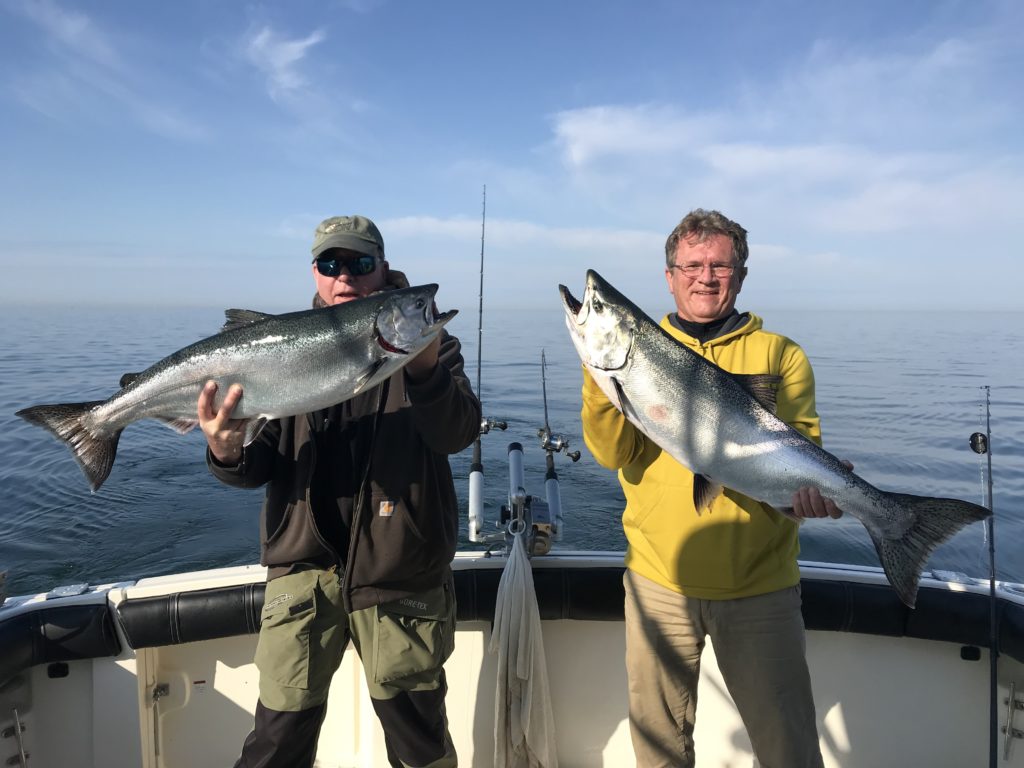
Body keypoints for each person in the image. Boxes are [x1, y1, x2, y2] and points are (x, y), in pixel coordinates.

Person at [198, 214, 481, 768]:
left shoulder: (434, 346)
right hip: (302, 573)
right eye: (331, 263)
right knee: (275, 746)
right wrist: (226, 449)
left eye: (359, 263)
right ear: (315, 271)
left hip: (400, 574)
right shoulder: (279, 346)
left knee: (419, 746)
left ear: (382, 269)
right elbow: (257, 466)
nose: (344, 275)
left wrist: (424, 372)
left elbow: (457, 432)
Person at [580, 208, 844, 768]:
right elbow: (613, 453)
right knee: (659, 749)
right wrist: (602, 379)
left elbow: (801, 453)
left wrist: (810, 494)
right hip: (658, 582)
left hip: (761, 589)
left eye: (720, 265)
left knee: (788, 748)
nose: (706, 276)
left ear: (740, 276)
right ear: (670, 276)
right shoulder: (634, 351)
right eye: (692, 264)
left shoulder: (779, 355)